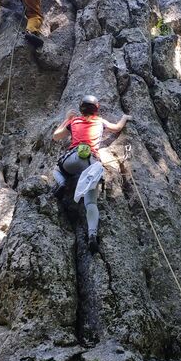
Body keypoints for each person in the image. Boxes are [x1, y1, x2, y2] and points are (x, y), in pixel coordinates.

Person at [52, 95, 131, 252]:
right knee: (91, 203)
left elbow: (56, 136)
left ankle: (62, 183)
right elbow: (117, 128)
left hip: (73, 158)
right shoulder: (100, 121)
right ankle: (92, 235)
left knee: (56, 169)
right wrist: (125, 117)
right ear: (97, 109)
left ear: (81, 109)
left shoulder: (74, 121)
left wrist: (66, 119)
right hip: (92, 163)